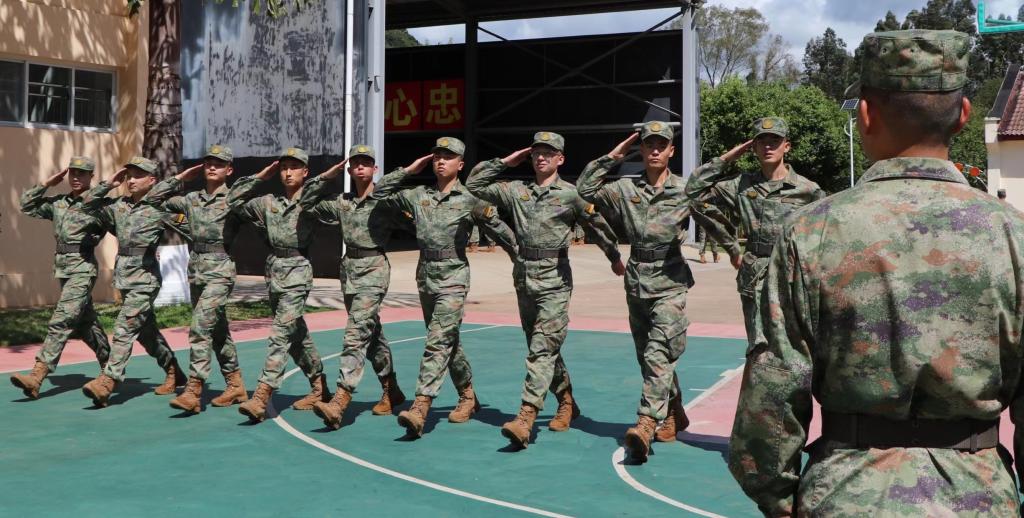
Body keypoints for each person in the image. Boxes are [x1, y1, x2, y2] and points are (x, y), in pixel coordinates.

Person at [729, 30, 1024, 516]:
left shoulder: (812, 231)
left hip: (845, 492)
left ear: (865, 115)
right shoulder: (1013, 235)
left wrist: (779, 498)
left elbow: (772, 394)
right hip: (979, 496)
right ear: (964, 115)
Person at [467, 131, 624, 448]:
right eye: (537, 152)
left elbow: (597, 226)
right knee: (542, 347)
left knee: (542, 348)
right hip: (524, 277)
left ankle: (526, 416)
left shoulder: (570, 194)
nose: (541, 157)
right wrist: (505, 161)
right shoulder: (517, 190)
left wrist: (614, 257)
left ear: (560, 159)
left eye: (548, 153)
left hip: (555, 279)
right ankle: (566, 401)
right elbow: (474, 186)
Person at [372, 137, 517, 438]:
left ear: (460, 165)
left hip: (453, 276)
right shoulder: (418, 195)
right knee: (448, 341)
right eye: (437, 156)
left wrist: (521, 259)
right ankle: (468, 395)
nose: (440, 161)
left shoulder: (470, 200)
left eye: (448, 157)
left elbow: (500, 230)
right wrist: (409, 170)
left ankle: (421, 406)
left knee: (437, 342)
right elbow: (380, 192)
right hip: (425, 275)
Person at [577, 121, 692, 462]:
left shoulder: (685, 189)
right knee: (648, 357)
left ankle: (646, 422)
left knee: (658, 353)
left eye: (661, 145)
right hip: (637, 281)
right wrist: (613, 156)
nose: (655, 150)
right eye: (649, 145)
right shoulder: (625, 188)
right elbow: (583, 191)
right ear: (640, 150)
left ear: (671, 150)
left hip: (670, 282)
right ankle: (674, 411)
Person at [298, 144, 410, 430]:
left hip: (374, 269)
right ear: (348, 169)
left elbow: (410, 218)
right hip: (349, 271)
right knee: (371, 334)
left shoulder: (385, 200)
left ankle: (340, 399)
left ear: (375, 169)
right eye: (355, 163)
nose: (360, 166)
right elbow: (306, 202)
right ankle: (391, 389)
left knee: (355, 334)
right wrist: (328, 175)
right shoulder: (342, 202)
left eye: (366, 163)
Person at [686, 117, 824, 346]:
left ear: (786, 146)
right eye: (762, 141)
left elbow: (823, 235)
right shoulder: (740, 184)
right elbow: (693, 191)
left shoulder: (808, 189)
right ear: (753, 147)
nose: (768, 146)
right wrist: (727, 158)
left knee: (795, 344)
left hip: (792, 273)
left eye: (775, 141)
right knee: (759, 346)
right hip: (755, 274)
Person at [228, 147, 328, 422]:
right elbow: (233, 200)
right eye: (283, 167)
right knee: (296, 336)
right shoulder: (268, 202)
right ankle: (320, 386)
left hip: (297, 272)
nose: (287, 172)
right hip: (274, 272)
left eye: (294, 167)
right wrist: (261, 176)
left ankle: (262, 396)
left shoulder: (311, 204)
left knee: (280, 334)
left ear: (305, 172)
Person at [78, 157, 185, 407]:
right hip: (125, 280)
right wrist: (109, 184)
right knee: (146, 334)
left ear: (152, 180)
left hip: (145, 281)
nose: (132, 180)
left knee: (124, 328)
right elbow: (87, 205)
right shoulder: (119, 206)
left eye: (138, 175)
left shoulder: (160, 209)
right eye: (129, 176)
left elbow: (195, 230)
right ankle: (174, 370)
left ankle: (109, 381)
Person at [154, 145, 248, 414]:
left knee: (200, 327)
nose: (212, 167)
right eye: (208, 163)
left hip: (220, 271)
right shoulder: (191, 199)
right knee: (217, 330)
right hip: (196, 271)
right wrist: (180, 178)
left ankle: (194, 390)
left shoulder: (234, 200)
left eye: (218, 163)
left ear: (229, 170)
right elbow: (153, 198)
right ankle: (235, 384)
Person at [11, 157, 111, 399]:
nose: (76, 177)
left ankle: (37, 376)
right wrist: (47, 183)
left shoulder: (99, 205)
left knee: (62, 320)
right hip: (63, 270)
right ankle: (111, 365)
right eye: (72, 173)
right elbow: (26, 205)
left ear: (91, 177)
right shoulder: (58, 203)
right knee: (86, 324)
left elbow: (122, 226)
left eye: (82, 173)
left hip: (83, 269)